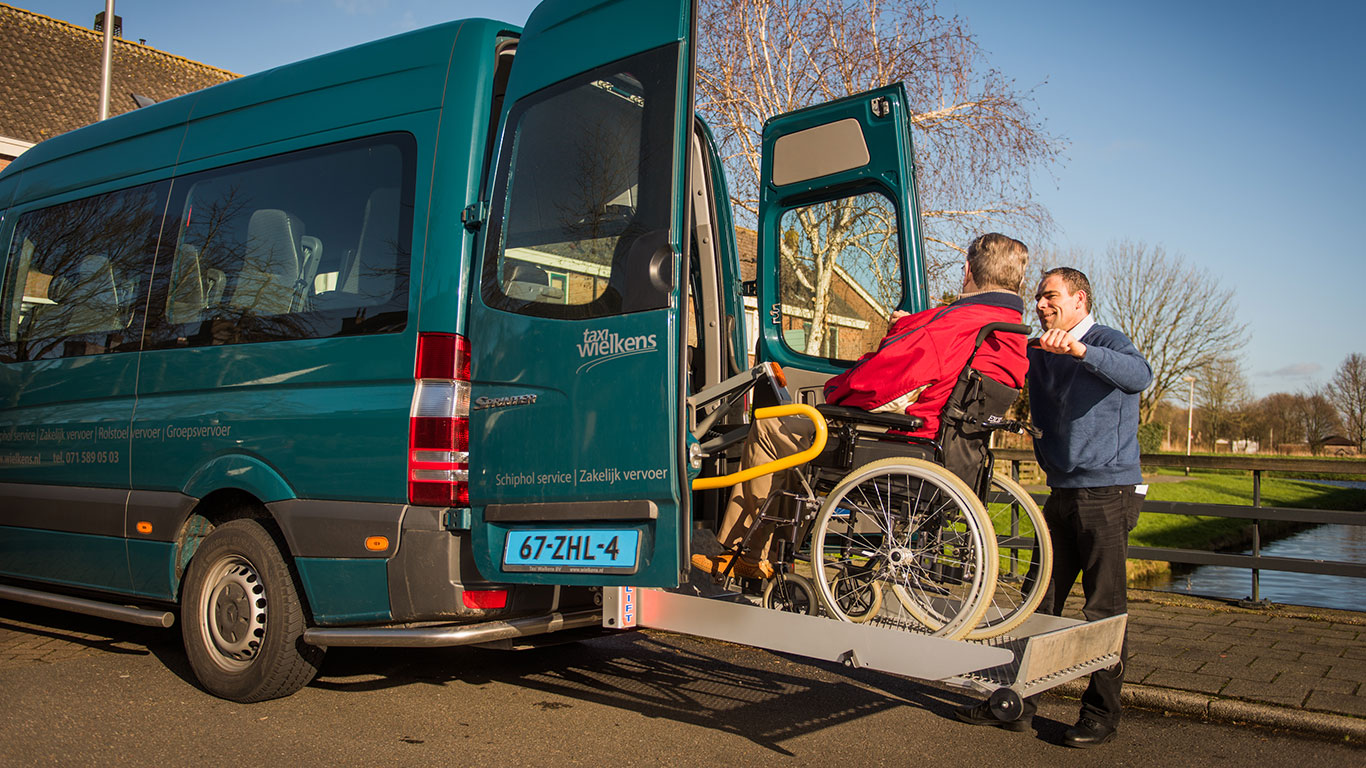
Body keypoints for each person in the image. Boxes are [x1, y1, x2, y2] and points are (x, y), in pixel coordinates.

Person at [693, 233, 1031, 580]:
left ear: (967, 271)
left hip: (909, 444)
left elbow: (879, 384)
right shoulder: (1008, 333)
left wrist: (835, 391)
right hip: (956, 454)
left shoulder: (953, 326)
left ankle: (747, 552)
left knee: (770, 429)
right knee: (794, 438)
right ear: (1017, 279)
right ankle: (771, 553)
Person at [955, 266, 1152, 748]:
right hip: (1062, 490)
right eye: (1038, 298)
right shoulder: (1038, 348)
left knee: (1103, 607)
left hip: (1108, 491)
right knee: (1037, 598)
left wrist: (1082, 350)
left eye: (1050, 297)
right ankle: (1014, 702)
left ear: (1079, 300)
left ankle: (1101, 714)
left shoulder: (1107, 341)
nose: (1041, 305)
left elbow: (1139, 375)